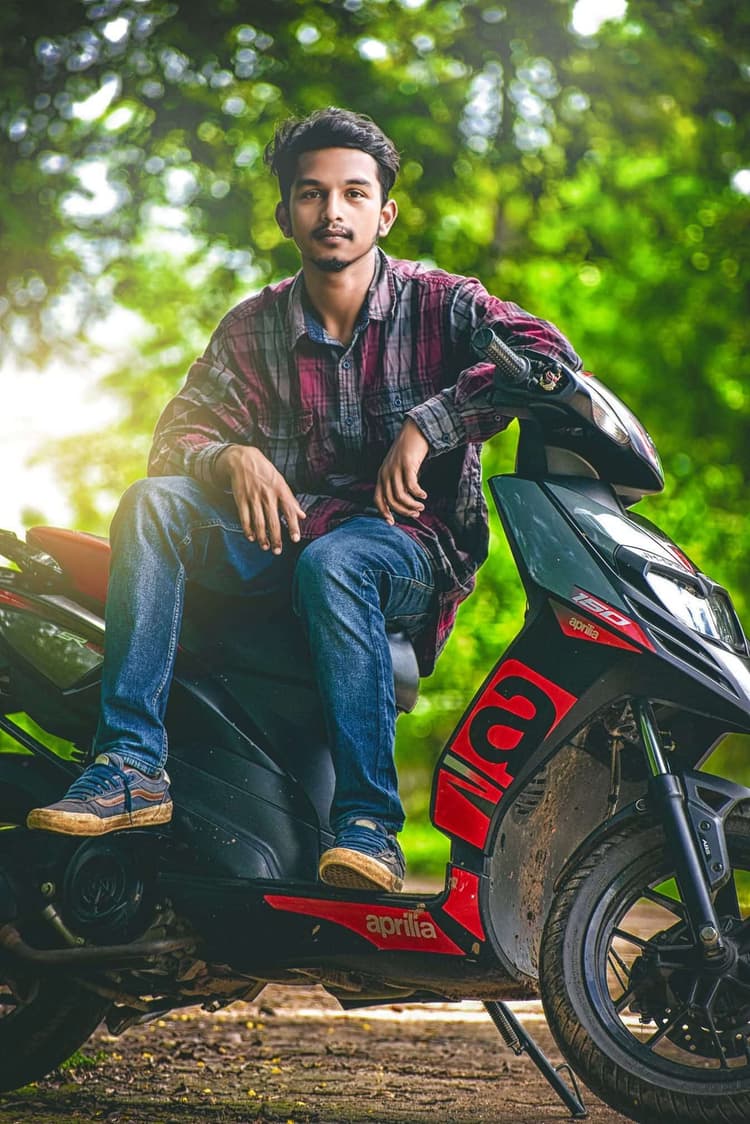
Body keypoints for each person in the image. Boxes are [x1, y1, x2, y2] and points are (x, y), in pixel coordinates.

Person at [27, 108, 581, 892]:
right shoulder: (250, 327)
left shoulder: (442, 304)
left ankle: (369, 826)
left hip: (406, 547)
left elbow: (548, 357)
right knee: (152, 502)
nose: (333, 211)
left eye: (355, 193)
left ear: (385, 213)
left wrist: (432, 423)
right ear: (286, 213)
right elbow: (176, 436)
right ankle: (129, 767)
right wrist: (230, 458)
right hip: (279, 541)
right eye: (312, 193)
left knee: (338, 561)